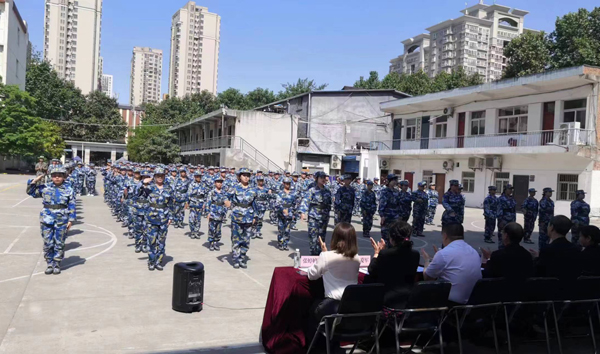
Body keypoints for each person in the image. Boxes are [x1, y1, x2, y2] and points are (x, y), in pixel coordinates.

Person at [307, 223, 361, 352]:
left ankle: (315, 347)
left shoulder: (326, 257)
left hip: (332, 305)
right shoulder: (356, 258)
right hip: (350, 305)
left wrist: (324, 255)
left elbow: (312, 275)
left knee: (310, 311)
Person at [27, 168, 76, 275]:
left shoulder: (69, 190)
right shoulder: (45, 187)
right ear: (51, 177)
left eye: (59, 175)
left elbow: (72, 205)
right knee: (48, 242)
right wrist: (35, 180)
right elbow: (31, 192)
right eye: (54, 175)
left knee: (59, 241)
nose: (57, 177)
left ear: (64, 177)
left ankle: (57, 263)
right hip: (47, 218)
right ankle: (49, 263)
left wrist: (71, 220)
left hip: (62, 219)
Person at [421, 224, 482, 305]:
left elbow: (427, 277)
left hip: (451, 303)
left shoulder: (444, 254)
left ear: (445, 236)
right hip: (472, 302)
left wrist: (427, 261)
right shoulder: (473, 251)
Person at [366, 220, 420, 308]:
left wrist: (377, 253)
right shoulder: (415, 254)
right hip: (406, 298)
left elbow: (372, 270)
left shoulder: (385, 254)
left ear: (391, 238)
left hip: (387, 298)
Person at [529, 215, 582, 282]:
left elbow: (540, 272)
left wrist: (537, 259)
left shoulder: (547, 250)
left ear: (552, 227)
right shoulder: (575, 249)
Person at [139, 168, 173, 271]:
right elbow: (136, 193)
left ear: (164, 177)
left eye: (161, 175)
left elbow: (171, 204)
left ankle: (158, 261)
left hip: (163, 219)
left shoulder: (168, 189)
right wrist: (142, 182)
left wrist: (170, 217)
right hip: (151, 219)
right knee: (151, 242)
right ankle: (151, 261)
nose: (160, 177)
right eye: (158, 175)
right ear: (154, 177)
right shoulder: (149, 187)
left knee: (161, 242)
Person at [227, 168, 258, 269]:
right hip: (237, 216)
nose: (246, 177)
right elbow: (224, 196)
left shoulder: (253, 190)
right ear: (239, 176)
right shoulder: (234, 188)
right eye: (244, 175)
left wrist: (255, 216)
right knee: (236, 239)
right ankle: (235, 259)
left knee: (246, 240)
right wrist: (227, 203)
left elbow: (255, 204)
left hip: (248, 217)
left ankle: (242, 258)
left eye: (248, 175)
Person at [300, 171, 333, 255]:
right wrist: (302, 212)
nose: (323, 179)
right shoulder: (312, 190)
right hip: (314, 217)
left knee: (322, 237)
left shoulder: (327, 191)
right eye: (321, 177)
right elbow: (305, 201)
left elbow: (329, 204)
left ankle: (320, 254)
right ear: (317, 178)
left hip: (324, 217)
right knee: (313, 236)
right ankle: (313, 254)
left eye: (324, 178)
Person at [275, 177, 299, 250]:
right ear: (283, 184)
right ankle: (280, 243)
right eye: (286, 183)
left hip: (290, 213)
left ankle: (285, 243)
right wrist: (283, 210)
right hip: (281, 213)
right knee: (281, 229)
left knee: (287, 230)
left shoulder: (293, 193)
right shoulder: (280, 193)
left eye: (288, 183)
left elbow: (295, 204)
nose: (287, 185)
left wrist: (295, 214)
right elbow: (277, 204)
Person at [206, 175, 229, 251]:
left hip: (220, 213)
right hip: (213, 212)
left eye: (221, 182)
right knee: (212, 228)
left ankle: (216, 242)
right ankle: (211, 242)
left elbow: (226, 203)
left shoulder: (224, 193)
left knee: (218, 229)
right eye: (218, 182)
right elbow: (208, 203)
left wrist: (225, 212)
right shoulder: (212, 192)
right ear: (215, 183)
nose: (219, 184)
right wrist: (208, 213)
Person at [378, 174, 402, 246]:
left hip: (395, 217)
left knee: (394, 235)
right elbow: (382, 204)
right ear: (389, 181)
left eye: (395, 180)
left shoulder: (396, 191)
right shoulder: (384, 191)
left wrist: (399, 215)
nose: (395, 182)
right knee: (385, 236)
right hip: (387, 216)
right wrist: (382, 215)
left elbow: (399, 204)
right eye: (393, 180)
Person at [186, 170, 206, 239]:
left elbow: (205, 195)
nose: (198, 178)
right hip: (193, 203)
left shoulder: (203, 184)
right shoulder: (191, 184)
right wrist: (187, 202)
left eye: (199, 176)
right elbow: (188, 193)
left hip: (200, 203)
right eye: (197, 176)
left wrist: (205, 203)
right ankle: (192, 231)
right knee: (191, 219)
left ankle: (196, 232)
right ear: (194, 177)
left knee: (198, 219)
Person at [251, 175, 272, 240]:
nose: (261, 182)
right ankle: (254, 231)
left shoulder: (266, 189)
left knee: (260, 219)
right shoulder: (254, 189)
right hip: (256, 206)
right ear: (257, 181)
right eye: (259, 181)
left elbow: (269, 196)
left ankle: (258, 231)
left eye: (262, 181)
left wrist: (269, 193)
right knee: (255, 219)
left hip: (263, 206)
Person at [496, 184, 516, 249]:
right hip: (504, 220)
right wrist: (500, 220)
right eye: (509, 189)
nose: (510, 191)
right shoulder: (501, 199)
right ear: (505, 190)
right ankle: (501, 252)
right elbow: (499, 210)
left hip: (511, 220)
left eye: (511, 189)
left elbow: (514, 210)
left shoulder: (512, 199)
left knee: (510, 237)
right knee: (502, 237)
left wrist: (514, 221)